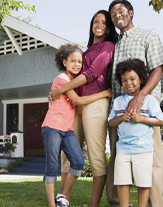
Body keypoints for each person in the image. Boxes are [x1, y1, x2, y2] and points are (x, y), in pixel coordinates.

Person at [49, 10, 118, 207]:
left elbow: (93, 73)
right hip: (77, 105)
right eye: (96, 21)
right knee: (68, 153)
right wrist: (61, 92)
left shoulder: (108, 46)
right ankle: (64, 200)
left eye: (104, 22)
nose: (99, 25)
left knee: (96, 155)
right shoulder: (86, 50)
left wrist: (62, 89)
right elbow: (75, 73)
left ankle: (93, 204)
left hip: (95, 103)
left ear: (108, 27)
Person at [106, 1, 163, 207]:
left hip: (145, 112)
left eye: (121, 11)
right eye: (113, 14)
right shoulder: (115, 45)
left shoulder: (148, 35)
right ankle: (118, 203)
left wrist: (141, 96)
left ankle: (154, 204)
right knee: (117, 159)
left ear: (131, 13)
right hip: (119, 113)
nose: (117, 16)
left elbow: (157, 69)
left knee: (151, 161)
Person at [42, 43, 112, 207]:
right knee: (52, 165)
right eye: (72, 61)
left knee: (79, 162)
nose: (77, 65)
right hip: (52, 127)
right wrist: (105, 93)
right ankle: (53, 205)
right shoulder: (63, 79)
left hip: (66, 130)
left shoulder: (75, 83)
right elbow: (79, 101)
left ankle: (61, 194)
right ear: (64, 62)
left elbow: (77, 102)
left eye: (79, 62)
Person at [108, 59, 163, 207]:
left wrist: (141, 119)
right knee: (122, 181)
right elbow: (111, 122)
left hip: (143, 149)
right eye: (124, 80)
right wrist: (121, 117)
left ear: (141, 78)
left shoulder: (149, 100)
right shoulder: (119, 101)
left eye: (133, 79)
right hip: (123, 150)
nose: (129, 83)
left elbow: (161, 120)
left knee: (143, 182)